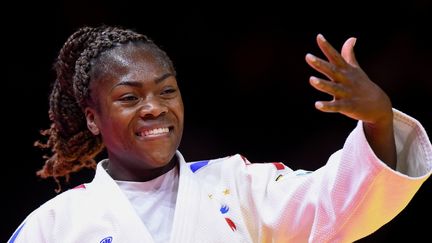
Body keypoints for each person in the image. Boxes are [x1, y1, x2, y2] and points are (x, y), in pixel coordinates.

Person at [7, 25, 431, 243]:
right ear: (93, 118)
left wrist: (377, 120)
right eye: (129, 97)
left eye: (166, 90)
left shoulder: (237, 186)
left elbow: (335, 206)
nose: (154, 106)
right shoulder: (55, 226)